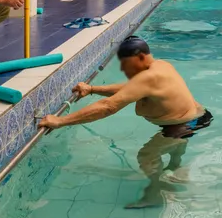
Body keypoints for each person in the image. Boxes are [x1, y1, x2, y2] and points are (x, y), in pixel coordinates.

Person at [38, 36, 211, 208]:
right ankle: (175, 167)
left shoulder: (148, 78)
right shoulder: (161, 65)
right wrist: (92, 89)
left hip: (184, 124)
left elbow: (108, 107)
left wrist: (60, 121)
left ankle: (155, 195)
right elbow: (130, 89)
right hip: (199, 116)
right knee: (173, 141)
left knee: (147, 155)